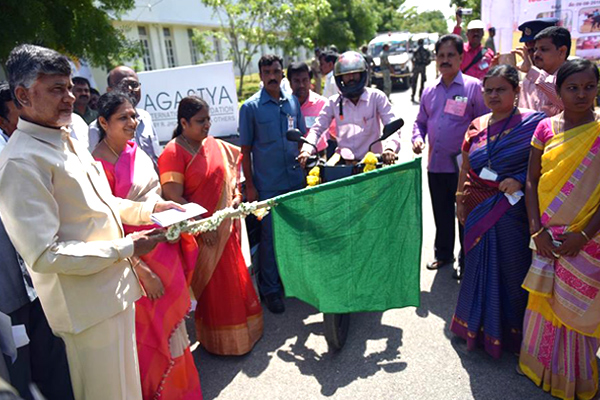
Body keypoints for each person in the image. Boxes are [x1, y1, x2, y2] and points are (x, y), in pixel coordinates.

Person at [0, 44, 182, 400]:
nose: (69, 97)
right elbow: (45, 255)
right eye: (56, 88)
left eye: (69, 86)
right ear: (22, 95)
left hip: (115, 294)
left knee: (128, 391)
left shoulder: (66, 138)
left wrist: (151, 211)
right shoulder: (21, 162)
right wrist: (129, 246)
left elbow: (101, 204)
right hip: (86, 313)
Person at [92, 92, 202, 399]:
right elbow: (106, 226)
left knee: (176, 332)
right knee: (149, 338)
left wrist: (170, 210)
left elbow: (152, 197)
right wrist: (140, 271)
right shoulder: (96, 165)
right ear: (103, 122)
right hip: (134, 261)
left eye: (134, 115)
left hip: (162, 246)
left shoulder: (135, 151)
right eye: (122, 118)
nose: (132, 122)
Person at [450, 65, 545, 358]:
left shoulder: (534, 123)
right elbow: (466, 165)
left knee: (512, 271)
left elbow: (542, 166)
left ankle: (512, 336)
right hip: (478, 207)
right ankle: (476, 329)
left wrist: (518, 178)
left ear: (516, 92)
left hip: (512, 212)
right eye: (488, 89)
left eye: (501, 89)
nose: (493, 95)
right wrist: (459, 198)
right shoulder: (477, 124)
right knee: (476, 268)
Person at [519, 59, 600, 400]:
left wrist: (583, 235)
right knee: (545, 303)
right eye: (573, 87)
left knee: (579, 308)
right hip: (548, 237)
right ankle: (541, 368)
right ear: (559, 91)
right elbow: (531, 181)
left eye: (589, 87)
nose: (582, 94)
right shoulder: (545, 130)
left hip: (589, 238)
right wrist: (537, 231)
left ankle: (579, 379)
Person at [160, 96, 263, 353]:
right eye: (200, 121)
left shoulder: (215, 145)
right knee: (215, 290)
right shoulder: (173, 152)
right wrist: (200, 226)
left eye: (208, 119)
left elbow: (229, 177)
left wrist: (236, 195)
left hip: (226, 229)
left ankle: (245, 333)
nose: (207, 125)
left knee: (235, 281)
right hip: (201, 234)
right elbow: (172, 195)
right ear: (183, 122)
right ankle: (221, 342)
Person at [0, 83, 74, 400]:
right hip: (8, 294)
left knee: (56, 368)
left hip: (39, 281)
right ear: (4, 120)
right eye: (21, 114)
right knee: (20, 375)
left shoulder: (36, 147)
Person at [412, 34, 488, 279]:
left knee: (464, 214)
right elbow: (420, 122)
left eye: (450, 55)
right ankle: (444, 255)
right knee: (441, 213)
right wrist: (417, 138)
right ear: (435, 58)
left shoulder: (473, 87)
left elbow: (485, 123)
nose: (445, 60)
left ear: (460, 57)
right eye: (441, 55)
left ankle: (466, 261)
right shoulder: (429, 90)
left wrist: (476, 154)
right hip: (435, 166)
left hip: (464, 168)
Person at [239, 54, 306, 313]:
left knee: (294, 235)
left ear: (282, 74)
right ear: (260, 76)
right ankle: (270, 290)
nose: (272, 75)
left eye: (276, 71)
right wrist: (252, 186)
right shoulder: (250, 108)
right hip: (266, 186)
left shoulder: (292, 102)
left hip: (294, 181)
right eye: (267, 71)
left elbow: (300, 136)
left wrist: (302, 154)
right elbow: (245, 151)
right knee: (268, 238)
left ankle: (292, 282)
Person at [298, 51, 399, 166]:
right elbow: (317, 129)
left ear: (362, 74)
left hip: (373, 163)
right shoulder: (333, 102)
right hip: (344, 165)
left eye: (355, 73)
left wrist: (390, 148)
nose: (351, 78)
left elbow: (392, 124)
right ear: (340, 77)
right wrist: (306, 150)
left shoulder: (376, 97)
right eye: (346, 74)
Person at [88, 66, 161, 166]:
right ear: (110, 90)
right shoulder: (96, 128)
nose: (130, 89)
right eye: (123, 85)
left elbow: (155, 156)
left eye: (134, 84)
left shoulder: (145, 117)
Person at [514, 26, 570, 117]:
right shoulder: (530, 77)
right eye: (535, 49)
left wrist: (531, 71)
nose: (536, 54)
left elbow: (566, 104)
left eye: (543, 49)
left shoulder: (573, 78)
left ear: (562, 51)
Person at [287, 62, 335, 153]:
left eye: (305, 80)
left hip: (317, 155)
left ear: (310, 81)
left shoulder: (323, 103)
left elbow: (334, 133)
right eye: (296, 81)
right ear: (290, 83)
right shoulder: (284, 106)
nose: (301, 85)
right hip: (291, 158)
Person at [411, 38, 431, 103]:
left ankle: (413, 96)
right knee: (422, 82)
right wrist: (425, 64)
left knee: (414, 82)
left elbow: (412, 59)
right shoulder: (426, 51)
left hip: (417, 67)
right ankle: (420, 96)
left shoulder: (415, 51)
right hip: (422, 67)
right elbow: (429, 59)